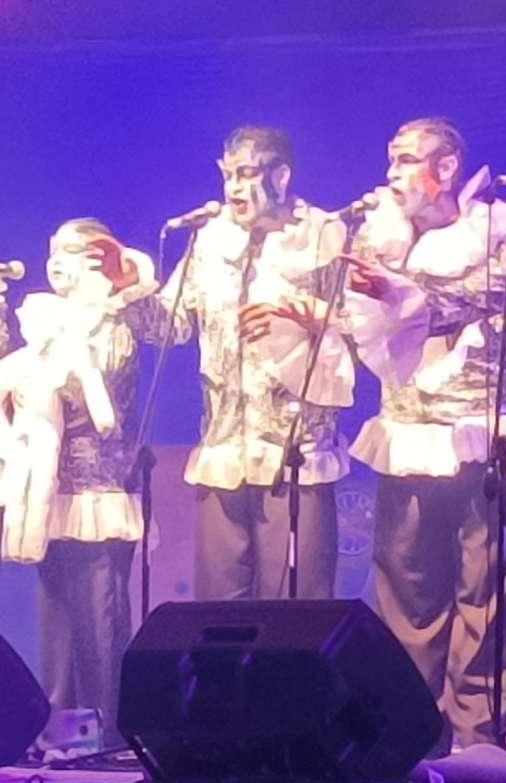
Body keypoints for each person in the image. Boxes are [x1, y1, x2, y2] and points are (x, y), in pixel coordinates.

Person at [154, 125, 414, 601]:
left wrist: (311, 317)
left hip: (297, 455)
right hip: (223, 451)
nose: (233, 187)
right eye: (227, 174)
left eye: (246, 173)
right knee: (219, 613)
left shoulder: (326, 236)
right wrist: (127, 289)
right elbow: (169, 329)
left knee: (295, 607)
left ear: (281, 175)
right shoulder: (209, 241)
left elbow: (373, 333)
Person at [346, 117, 506, 750]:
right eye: (391, 159)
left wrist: (403, 295)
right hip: (407, 434)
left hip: (478, 434)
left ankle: (477, 736)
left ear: (447, 168)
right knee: (407, 590)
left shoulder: (499, 233)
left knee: (485, 591)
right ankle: (411, 731)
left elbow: (497, 304)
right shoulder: (380, 238)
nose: (393, 174)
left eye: (407, 160)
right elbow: (361, 325)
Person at [0, 219, 168, 749]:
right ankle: (59, 728)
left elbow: (100, 400)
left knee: (100, 618)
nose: (57, 261)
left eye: (71, 252)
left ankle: (108, 732)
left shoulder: (112, 327)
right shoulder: (48, 325)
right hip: (52, 490)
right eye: (53, 250)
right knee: (55, 615)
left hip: (100, 489)